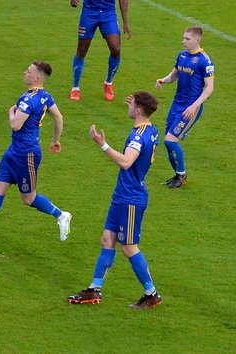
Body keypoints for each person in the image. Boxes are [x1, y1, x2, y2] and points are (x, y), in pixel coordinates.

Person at [0, 61, 71, 245]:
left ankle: (61, 215)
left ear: (36, 78)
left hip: (26, 155)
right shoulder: (45, 96)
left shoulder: (28, 100)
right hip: (14, 151)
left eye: (28, 71)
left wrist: (11, 112)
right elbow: (58, 117)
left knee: (29, 198)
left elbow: (15, 124)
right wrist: (55, 140)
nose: (24, 73)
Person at [68, 91, 162, 309]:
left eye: (132, 106)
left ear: (138, 111)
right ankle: (94, 289)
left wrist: (102, 144)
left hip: (130, 197)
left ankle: (151, 293)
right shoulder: (150, 129)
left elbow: (127, 162)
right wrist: (138, 106)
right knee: (107, 240)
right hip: (123, 194)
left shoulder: (138, 136)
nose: (128, 107)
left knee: (129, 247)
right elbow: (141, 118)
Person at [69, 0, 130, 102]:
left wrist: (125, 23)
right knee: (82, 50)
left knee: (116, 49)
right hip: (89, 12)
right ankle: (75, 87)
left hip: (108, 14)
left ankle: (108, 82)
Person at [155, 26, 214, 188]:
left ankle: (181, 175)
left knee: (170, 141)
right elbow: (174, 74)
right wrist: (163, 80)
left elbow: (209, 88)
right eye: (183, 38)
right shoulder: (182, 55)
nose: (183, 41)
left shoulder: (204, 61)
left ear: (197, 40)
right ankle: (178, 175)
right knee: (168, 141)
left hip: (191, 108)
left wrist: (194, 106)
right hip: (177, 104)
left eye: (187, 39)